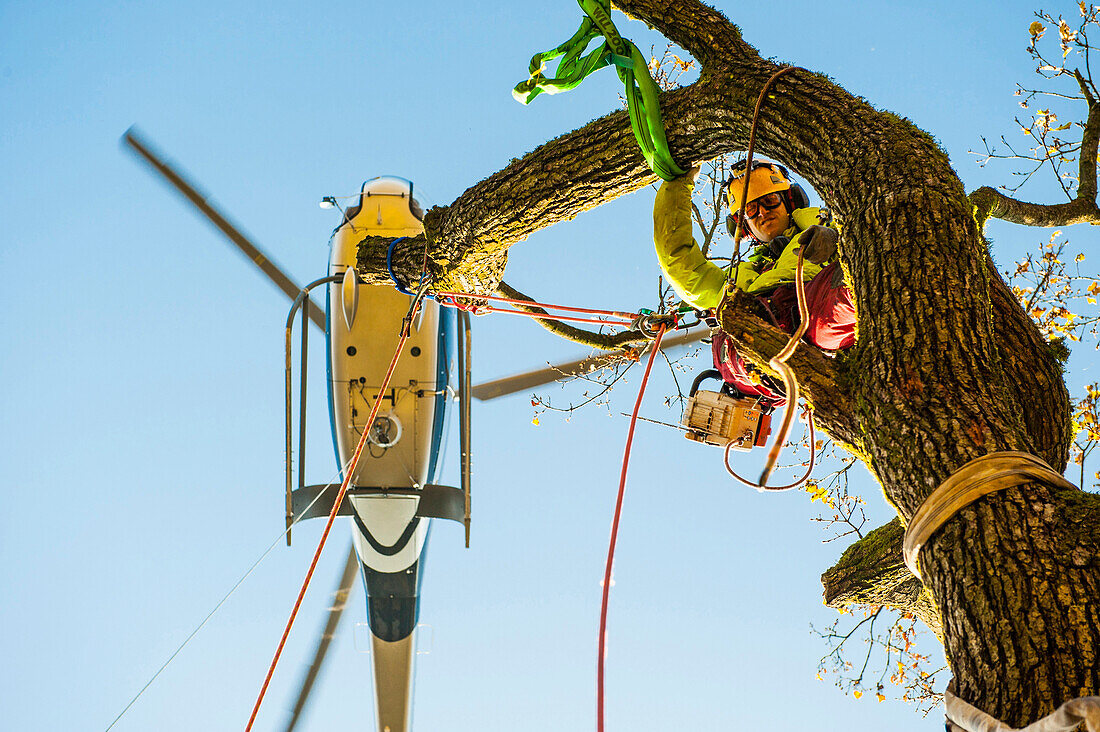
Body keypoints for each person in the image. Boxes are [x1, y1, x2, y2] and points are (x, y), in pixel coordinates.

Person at [653, 159, 856, 404]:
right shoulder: (738, 279)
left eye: (770, 201)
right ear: (743, 225)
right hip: (752, 365)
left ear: (789, 202)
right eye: (750, 210)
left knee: (839, 301)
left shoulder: (828, 225)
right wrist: (677, 184)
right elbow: (680, 263)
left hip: (813, 330)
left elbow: (866, 241)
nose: (762, 212)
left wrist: (838, 243)